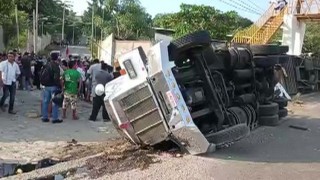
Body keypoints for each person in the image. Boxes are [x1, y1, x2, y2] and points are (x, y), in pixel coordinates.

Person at [41, 53, 62, 123]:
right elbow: (56, 77)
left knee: (45, 101)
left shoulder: (46, 65)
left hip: (46, 86)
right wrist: (59, 86)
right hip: (53, 86)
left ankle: (45, 117)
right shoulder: (56, 66)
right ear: (57, 58)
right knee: (55, 102)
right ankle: (55, 118)